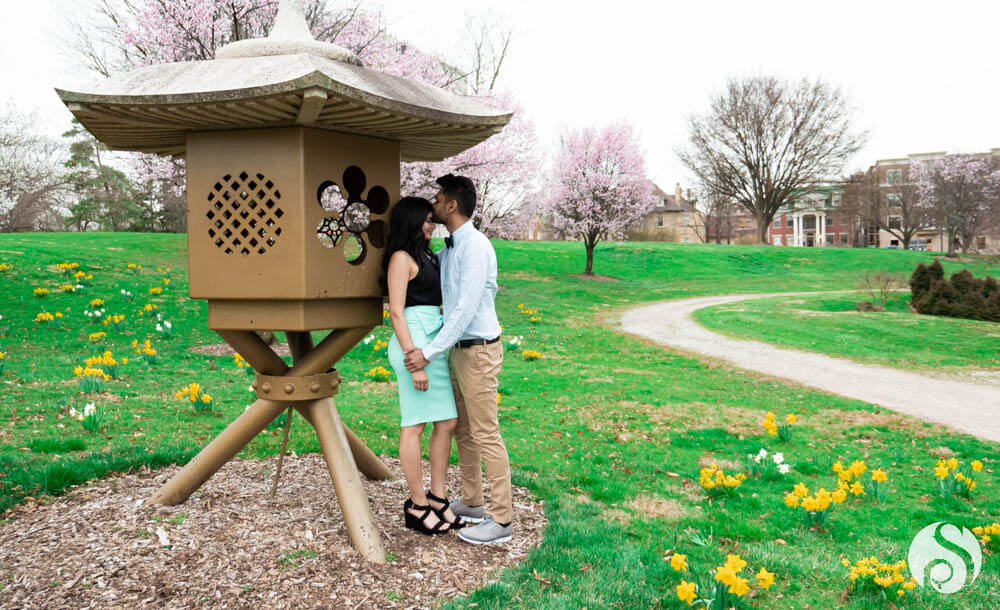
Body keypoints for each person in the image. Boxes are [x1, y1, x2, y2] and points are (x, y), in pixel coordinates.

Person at [404, 174, 513, 545]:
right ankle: (472, 501)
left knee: (485, 433)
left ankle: (501, 521)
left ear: (451, 205)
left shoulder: (476, 247)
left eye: (437, 198)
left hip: (479, 349)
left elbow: (465, 309)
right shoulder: (450, 249)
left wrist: (428, 353)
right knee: (464, 430)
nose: (432, 204)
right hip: (459, 350)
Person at [384, 196, 463, 536]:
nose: (432, 224)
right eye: (427, 220)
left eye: (433, 219)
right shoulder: (401, 259)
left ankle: (437, 497)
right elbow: (396, 312)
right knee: (414, 425)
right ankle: (416, 505)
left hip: (432, 346)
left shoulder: (427, 255)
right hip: (412, 345)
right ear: (411, 222)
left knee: (447, 421)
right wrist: (413, 360)